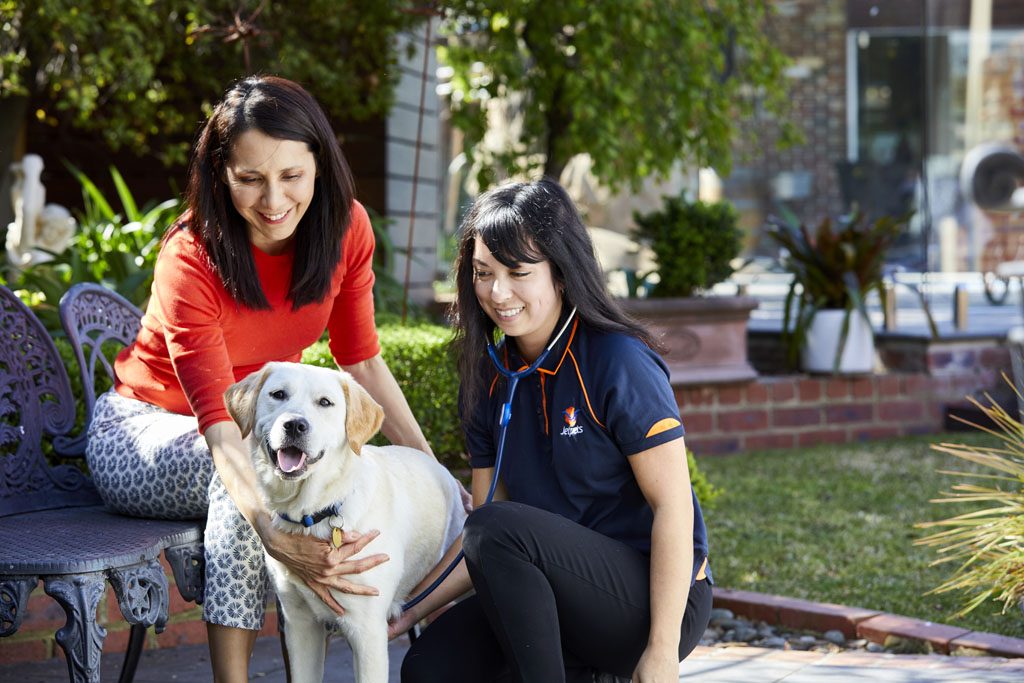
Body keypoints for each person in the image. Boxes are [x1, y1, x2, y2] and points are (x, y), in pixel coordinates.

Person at [85, 75, 434, 682]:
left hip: (251, 426)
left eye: (291, 176)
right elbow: (220, 429)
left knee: (298, 468)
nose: (273, 199)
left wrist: (432, 471)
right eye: (249, 178)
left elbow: (362, 360)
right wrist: (274, 535)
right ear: (221, 174)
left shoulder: (347, 230)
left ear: (319, 166)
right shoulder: (190, 256)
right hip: (135, 436)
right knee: (253, 478)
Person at [391, 178, 713, 682]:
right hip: (551, 591)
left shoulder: (618, 361)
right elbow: (483, 542)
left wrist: (661, 649)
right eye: (483, 273)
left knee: (494, 527)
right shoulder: (487, 375)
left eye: (518, 272)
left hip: (649, 601)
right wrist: (408, 606)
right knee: (430, 669)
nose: (498, 293)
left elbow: (674, 507)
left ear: (561, 273)